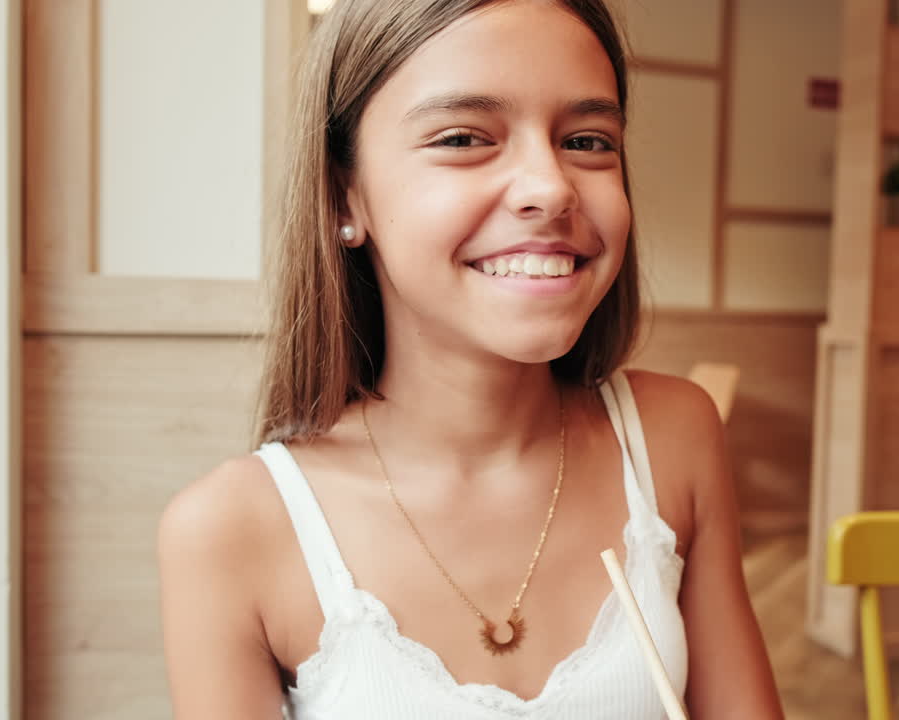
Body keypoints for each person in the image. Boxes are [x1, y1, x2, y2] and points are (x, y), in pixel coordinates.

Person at [157, 0, 783, 717]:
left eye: (586, 140)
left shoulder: (674, 438)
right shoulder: (230, 529)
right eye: (462, 137)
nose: (551, 187)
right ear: (344, 194)